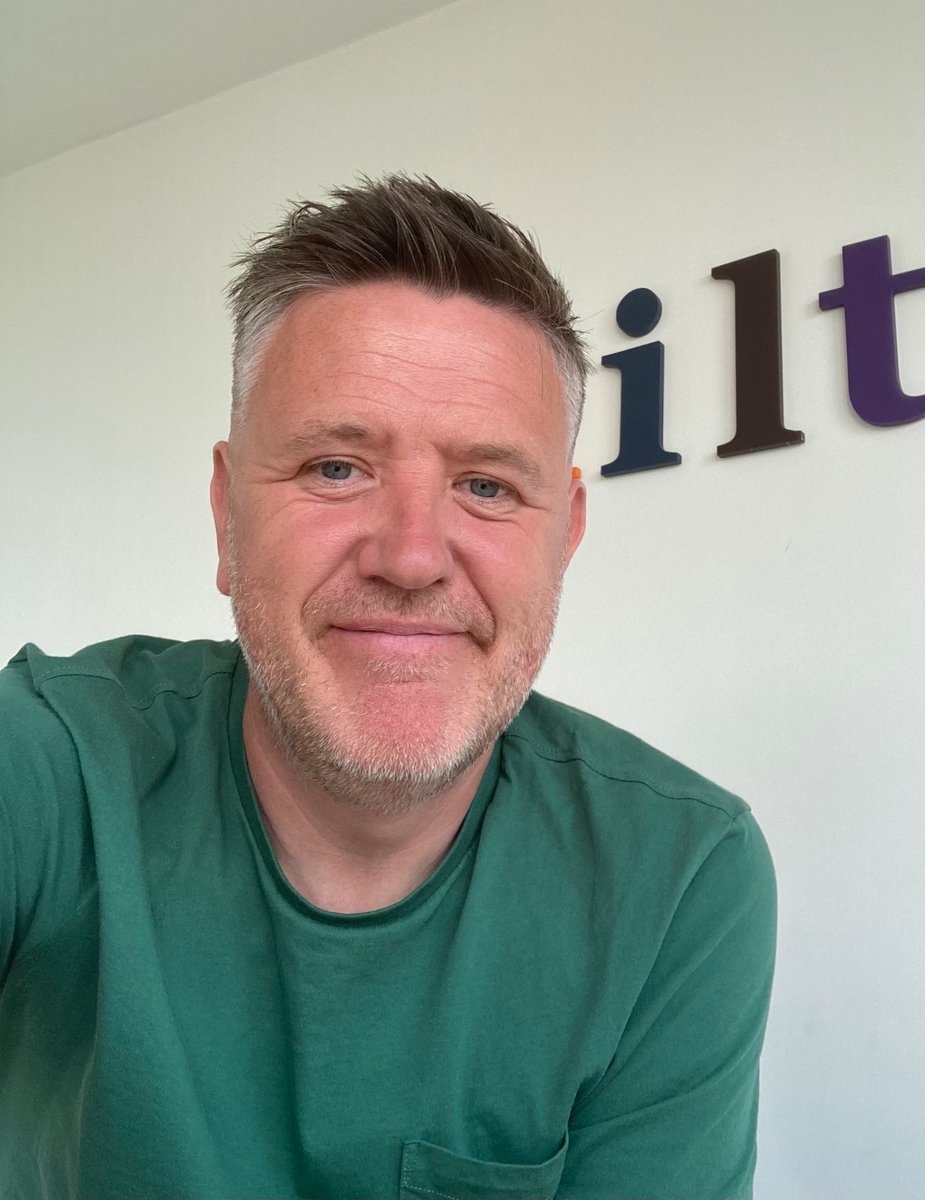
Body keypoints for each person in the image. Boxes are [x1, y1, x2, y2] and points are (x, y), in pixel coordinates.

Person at [0, 175, 775, 1200]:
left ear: (565, 536)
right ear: (229, 518)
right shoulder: (51, 765)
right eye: (335, 468)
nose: (412, 557)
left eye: (487, 486)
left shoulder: (678, 875)